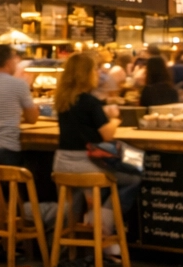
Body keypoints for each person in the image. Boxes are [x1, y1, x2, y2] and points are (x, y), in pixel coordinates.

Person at [53, 51, 139, 219]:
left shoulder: (62, 100)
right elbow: (107, 135)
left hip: (62, 164)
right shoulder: (90, 102)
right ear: (86, 75)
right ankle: (103, 220)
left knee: (77, 199)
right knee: (134, 176)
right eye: (94, 70)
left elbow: (81, 120)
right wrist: (115, 120)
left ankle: (78, 225)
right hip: (89, 162)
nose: (97, 73)